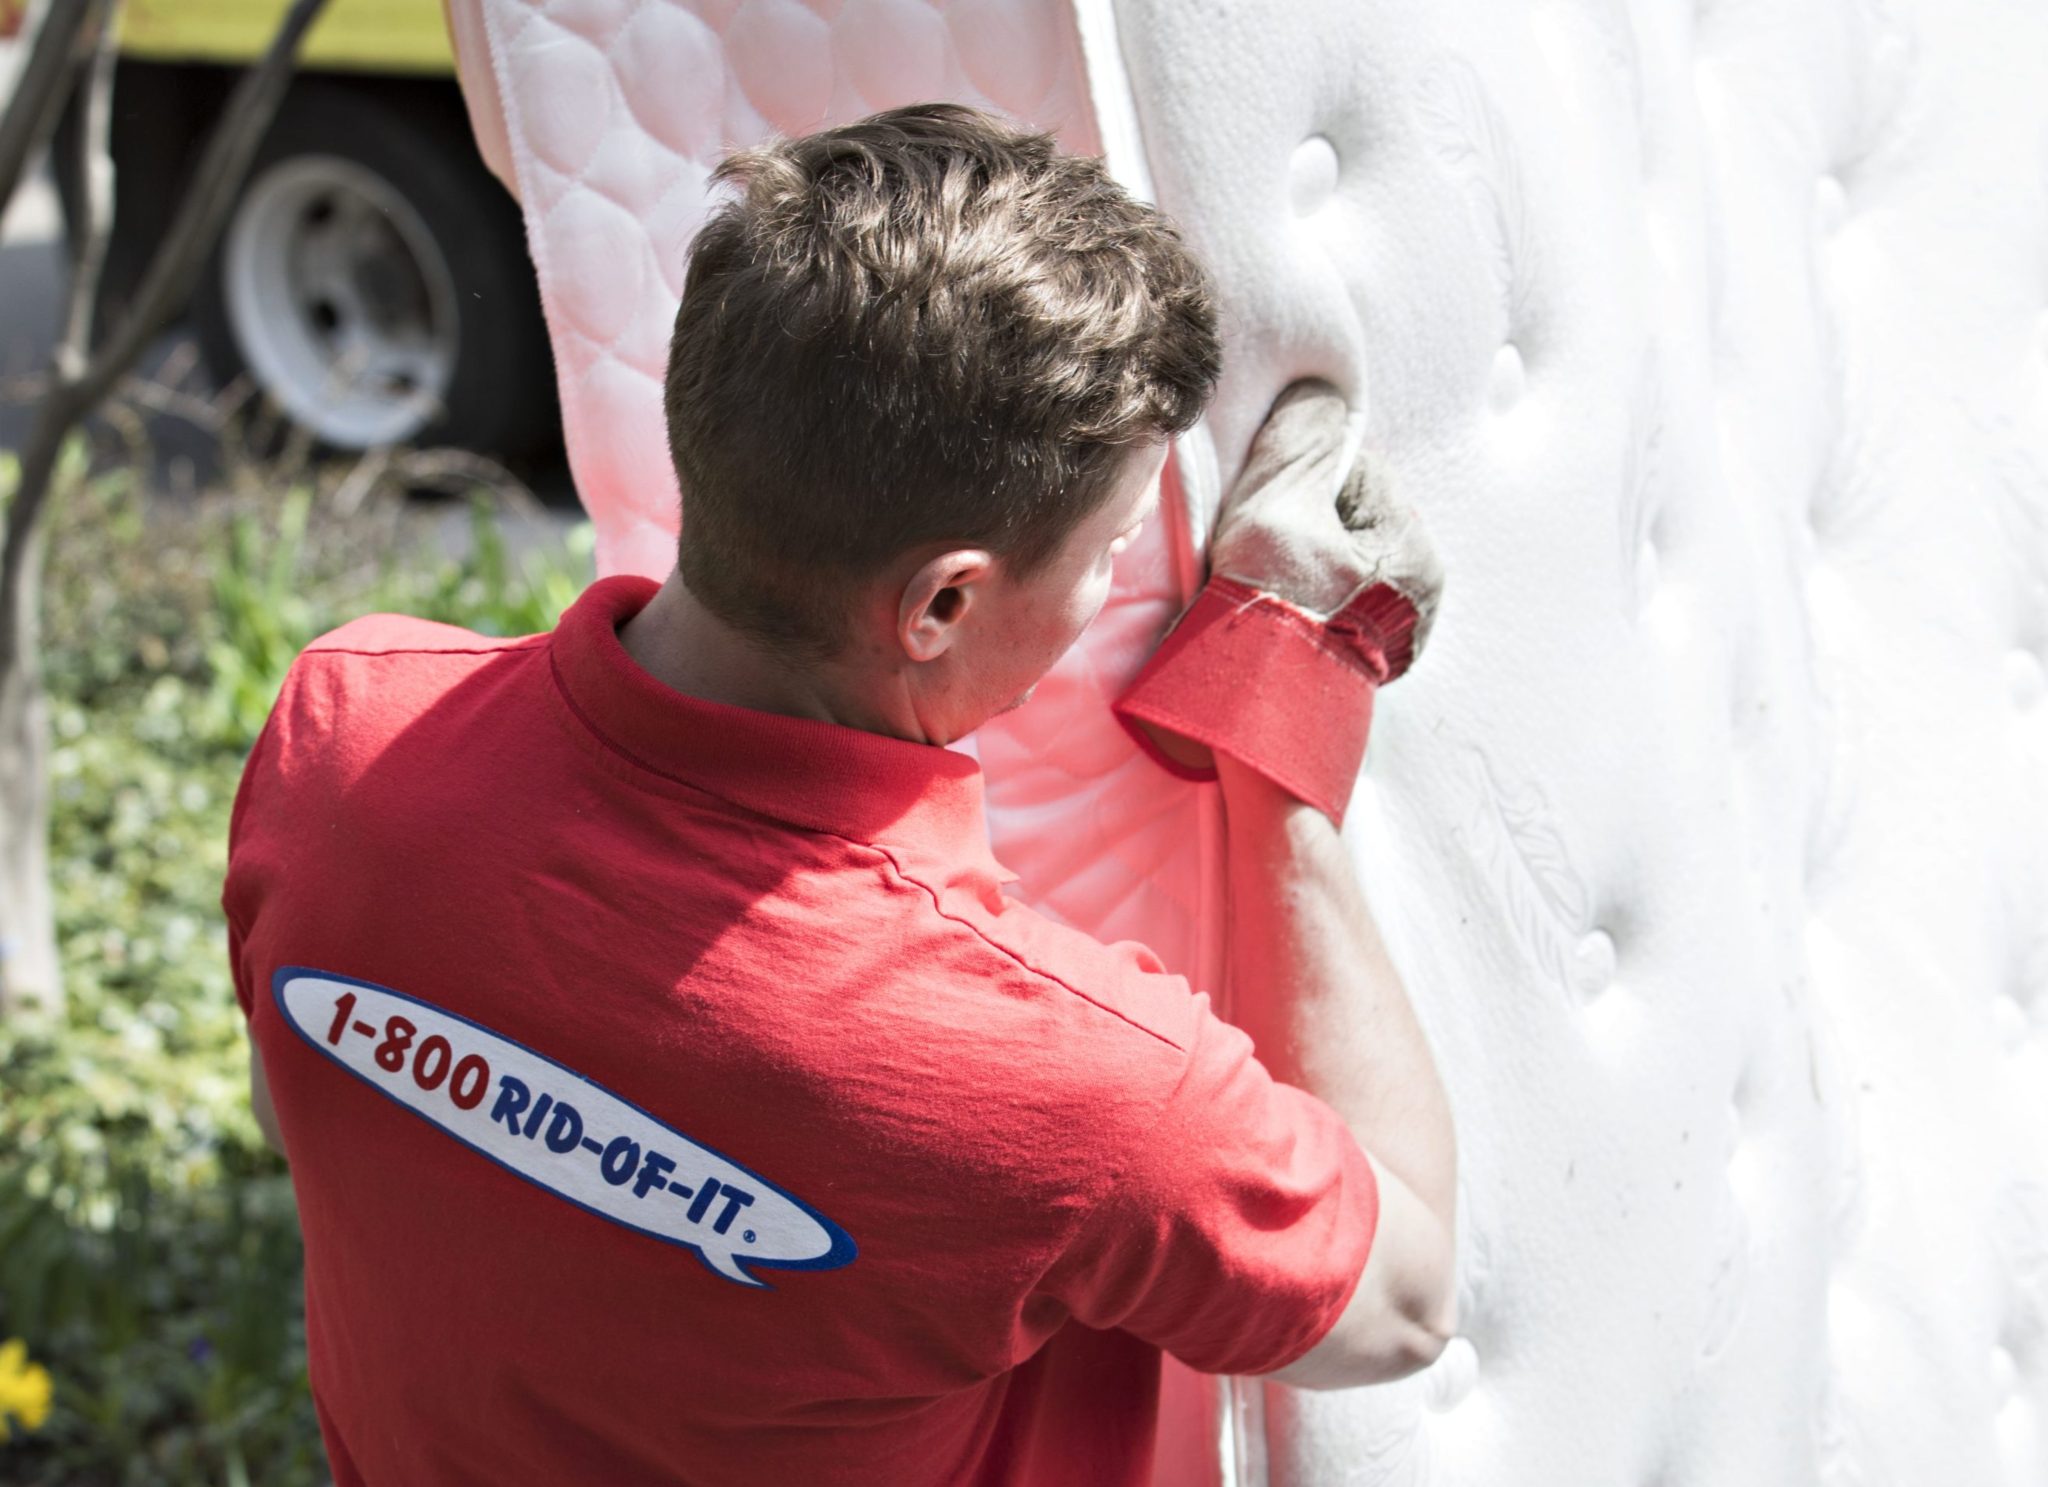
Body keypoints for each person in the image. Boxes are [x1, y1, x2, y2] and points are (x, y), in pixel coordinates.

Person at [222, 101, 1458, 1486]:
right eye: (1113, 547)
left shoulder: (343, 732)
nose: (1119, 579)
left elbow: (304, 1106)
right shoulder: (1069, 1087)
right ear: (940, 603)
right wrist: (1281, 722)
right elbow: (1403, 1302)